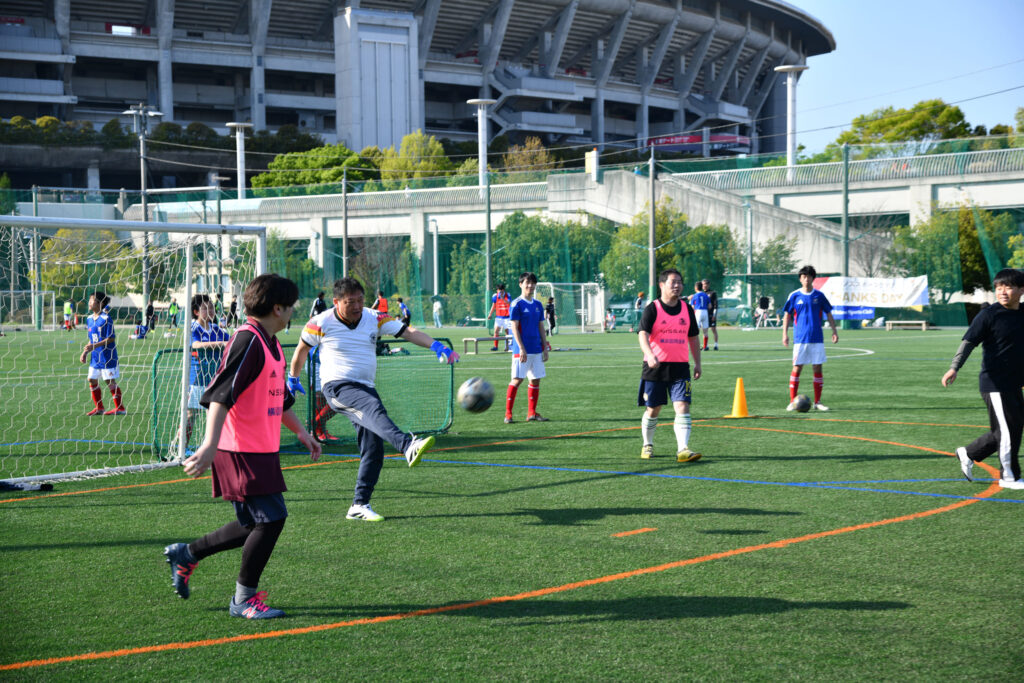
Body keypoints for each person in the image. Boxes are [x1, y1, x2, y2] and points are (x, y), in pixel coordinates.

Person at [163, 274, 321, 619]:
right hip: (238, 449)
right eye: (291, 306)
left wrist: (302, 432)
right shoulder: (247, 340)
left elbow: (280, 399)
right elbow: (220, 395)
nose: (293, 311)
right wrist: (209, 445)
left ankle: (187, 554)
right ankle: (243, 599)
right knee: (272, 519)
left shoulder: (271, 341)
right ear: (277, 308)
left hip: (260, 449)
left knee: (254, 523)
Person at [288, 277, 458, 522]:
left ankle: (359, 505)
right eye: (350, 302)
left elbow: (407, 332)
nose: (357, 306)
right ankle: (407, 446)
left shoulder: (374, 317)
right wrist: (293, 378)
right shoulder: (320, 322)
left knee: (373, 448)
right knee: (373, 408)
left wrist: (437, 346)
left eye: (360, 300)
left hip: (365, 387)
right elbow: (301, 349)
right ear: (336, 302)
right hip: (337, 387)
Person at [941, 268, 1024, 489]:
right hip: (995, 383)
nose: (1002, 292)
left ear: (1021, 290)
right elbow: (968, 343)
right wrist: (954, 368)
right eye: (998, 287)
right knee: (1007, 431)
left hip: (1015, 382)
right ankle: (1009, 477)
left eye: (1008, 287)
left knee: (1012, 427)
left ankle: (969, 453)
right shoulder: (988, 315)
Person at [637, 268, 702, 463]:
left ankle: (683, 449)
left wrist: (697, 363)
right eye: (673, 282)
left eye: (680, 282)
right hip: (655, 367)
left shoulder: (687, 309)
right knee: (653, 409)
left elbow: (693, 337)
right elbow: (643, 334)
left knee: (682, 406)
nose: (677, 286)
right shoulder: (652, 308)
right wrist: (650, 355)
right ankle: (647, 444)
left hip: (680, 367)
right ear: (661, 285)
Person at [782, 264, 838, 412]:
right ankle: (792, 401)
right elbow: (787, 315)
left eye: (809, 276)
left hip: (817, 338)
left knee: (817, 367)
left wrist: (834, 331)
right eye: (804, 277)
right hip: (800, 339)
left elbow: (829, 313)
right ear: (800, 279)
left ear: (813, 278)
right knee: (797, 367)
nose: (806, 279)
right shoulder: (794, 296)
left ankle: (817, 402)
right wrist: (784, 334)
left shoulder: (819, 296)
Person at [178, 293, 230, 452]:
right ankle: (182, 448)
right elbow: (196, 345)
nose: (210, 310)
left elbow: (232, 340)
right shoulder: (192, 328)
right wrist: (220, 343)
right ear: (196, 312)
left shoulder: (216, 329)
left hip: (215, 379)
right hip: (197, 379)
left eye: (212, 307)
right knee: (190, 415)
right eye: (205, 308)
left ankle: (212, 448)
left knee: (213, 415)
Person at [505, 272, 550, 424]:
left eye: (532, 283)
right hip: (522, 350)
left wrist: (545, 346)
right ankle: (508, 414)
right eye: (527, 283)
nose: (530, 286)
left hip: (536, 349)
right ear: (521, 284)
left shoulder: (537, 305)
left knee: (535, 380)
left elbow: (541, 326)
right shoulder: (516, 304)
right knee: (517, 380)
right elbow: (514, 328)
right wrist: (521, 348)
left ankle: (532, 413)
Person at [79, 290, 126, 415]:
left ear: (100, 303)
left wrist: (95, 345)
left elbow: (111, 338)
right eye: (89, 300)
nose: (89, 302)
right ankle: (99, 408)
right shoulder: (89, 319)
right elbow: (92, 339)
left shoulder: (106, 319)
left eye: (92, 300)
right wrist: (85, 353)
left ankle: (120, 408)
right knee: (91, 379)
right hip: (95, 357)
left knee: (109, 381)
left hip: (107, 356)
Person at [487, 283, 512, 351]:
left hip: (507, 317)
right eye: (498, 290)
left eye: (500, 290)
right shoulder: (495, 296)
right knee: (496, 331)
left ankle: (507, 347)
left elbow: (509, 303)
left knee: (507, 332)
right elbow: (494, 305)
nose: (499, 291)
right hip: (498, 317)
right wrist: (490, 314)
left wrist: (502, 298)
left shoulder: (508, 295)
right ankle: (495, 346)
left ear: (503, 290)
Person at [689, 281, 711, 351]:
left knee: (696, 331)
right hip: (705, 312)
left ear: (696, 288)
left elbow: (692, 307)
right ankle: (705, 346)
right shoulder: (706, 295)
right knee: (705, 331)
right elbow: (710, 306)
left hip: (698, 312)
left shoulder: (695, 296)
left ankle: (697, 346)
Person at [702, 278, 719, 351]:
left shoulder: (712, 293)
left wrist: (714, 315)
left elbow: (715, 305)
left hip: (711, 314)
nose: (704, 286)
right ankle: (706, 345)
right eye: (703, 284)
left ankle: (716, 345)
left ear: (708, 285)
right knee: (704, 330)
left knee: (713, 329)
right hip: (704, 314)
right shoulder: (701, 294)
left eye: (705, 284)